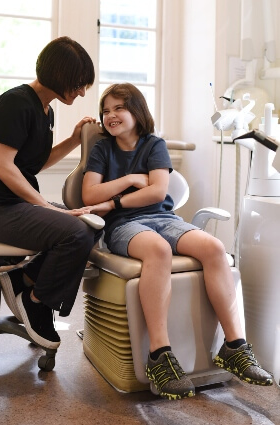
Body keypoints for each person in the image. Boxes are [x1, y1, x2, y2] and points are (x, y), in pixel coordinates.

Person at [82, 83, 273, 400]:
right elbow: (89, 195)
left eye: (119, 108)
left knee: (213, 248)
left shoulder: (153, 145)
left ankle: (234, 346)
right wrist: (131, 181)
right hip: (123, 225)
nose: (110, 115)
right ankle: (159, 354)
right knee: (157, 250)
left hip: (162, 218)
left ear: (137, 111)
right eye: (105, 110)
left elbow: (157, 192)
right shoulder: (102, 149)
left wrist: (114, 198)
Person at [0, 36, 101, 351]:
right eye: (79, 84)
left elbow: (33, 165)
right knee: (75, 233)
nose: (81, 92)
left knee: (90, 225)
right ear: (61, 75)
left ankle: (23, 281)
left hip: (12, 206)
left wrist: (72, 139)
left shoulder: (45, 111)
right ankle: (36, 300)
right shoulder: (14, 103)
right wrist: (46, 206)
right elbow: (2, 166)